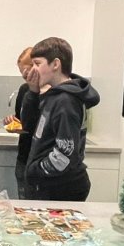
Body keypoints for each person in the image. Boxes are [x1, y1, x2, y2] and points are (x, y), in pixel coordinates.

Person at [21, 37, 100, 201]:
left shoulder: (65, 101)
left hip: (59, 188)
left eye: (37, 64)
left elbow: (64, 155)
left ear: (55, 64)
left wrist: (35, 170)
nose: (32, 70)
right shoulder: (54, 96)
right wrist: (33, 92)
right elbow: (29, 127)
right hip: (50, 184)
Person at [2, 46, 49, 200]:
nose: (24, 76)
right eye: (22, 72)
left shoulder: (53, 94)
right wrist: (12, 124)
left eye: (26, 72)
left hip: (42, 162)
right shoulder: (24, 90)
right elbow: (23, 123)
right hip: (24, 157)